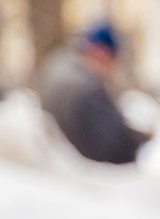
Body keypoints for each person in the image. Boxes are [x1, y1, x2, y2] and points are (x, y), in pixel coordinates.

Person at [36, 21, 146, 166]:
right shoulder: (87, 89)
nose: (111, 68)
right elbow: (119, 146)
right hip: (82, 173)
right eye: (111, 59)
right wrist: (145, 139)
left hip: (58, 162)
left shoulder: (56, 65)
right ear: (101, 52)